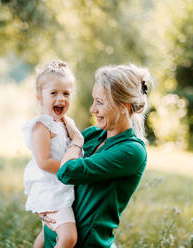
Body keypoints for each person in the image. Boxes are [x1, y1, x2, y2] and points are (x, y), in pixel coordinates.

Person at [41, 63, 152, 247]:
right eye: (94, 100)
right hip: (55, 237)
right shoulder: (93, 134)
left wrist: (76, 142)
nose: (93, 109)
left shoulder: (132, 151)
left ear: (123, 106)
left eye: (100, 102)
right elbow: (52, 162)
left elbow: (66, 172)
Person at [22, 60, 79, 248]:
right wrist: (71, 171)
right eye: (53, 93)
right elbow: (44, 162)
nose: (61, 99)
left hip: (59, 187)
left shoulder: (66, 123)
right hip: (50, 190)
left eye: (66, 93)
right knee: (68, 237)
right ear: (40, 97)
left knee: (48, 234)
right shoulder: (42, 126)